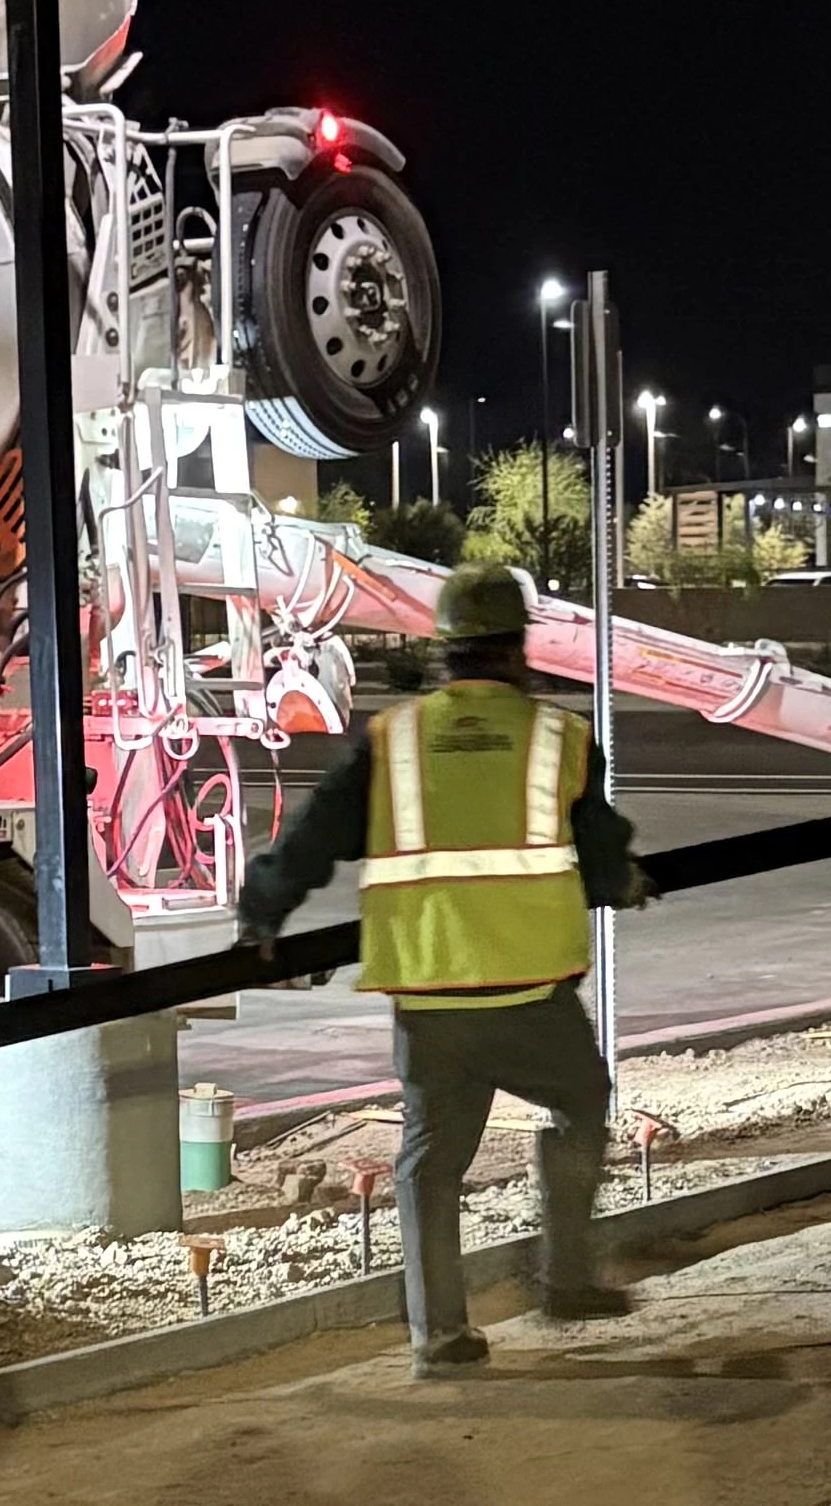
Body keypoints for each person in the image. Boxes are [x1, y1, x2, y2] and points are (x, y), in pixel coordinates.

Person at [240, 559, 647, 1374]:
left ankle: (439, 1335)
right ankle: (566, 1278)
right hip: (531, 992)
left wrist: (264, 915)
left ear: (444, 649)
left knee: (430, 1162)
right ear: (517, 649)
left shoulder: (393, 740)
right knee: (581, 1102)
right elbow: (602, 865)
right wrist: (627, 880)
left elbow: (314, 837)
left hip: (428, 995)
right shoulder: (558, 738)